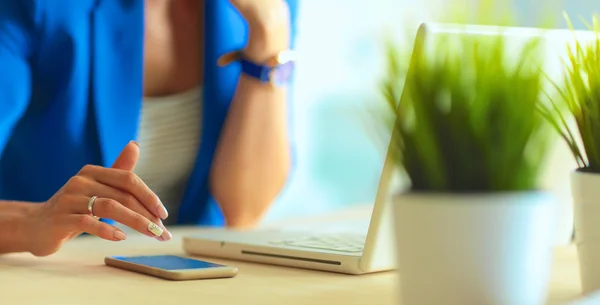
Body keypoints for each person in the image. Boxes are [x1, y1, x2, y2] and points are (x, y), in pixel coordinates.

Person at [0, 0, 298, 256]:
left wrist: (268, 35)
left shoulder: (264, 9)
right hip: (49, 271)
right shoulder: (37, 6)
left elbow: (245, 210)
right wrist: (30, 221)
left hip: (190, 273)